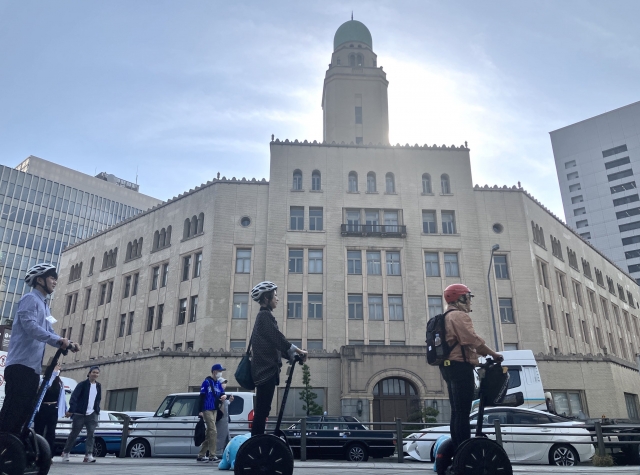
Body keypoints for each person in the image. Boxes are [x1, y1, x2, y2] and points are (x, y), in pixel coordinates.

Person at [0, 263, 77, 435]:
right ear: (40, 280)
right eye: (52, 278)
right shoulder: (30, 299)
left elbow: (49, 331)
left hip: (33, 369)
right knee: (12, 412)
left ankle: (13, 446)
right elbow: (31, 327)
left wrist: (68, 343)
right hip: (20, 366)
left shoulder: (45, 306)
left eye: (56, 278)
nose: (55, 281)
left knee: (25, 413)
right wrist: (58, 340)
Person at [439, 283, 502, 453]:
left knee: (456, 411)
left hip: (448, 367)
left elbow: (466, 341)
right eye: (467, 297)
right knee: (463, 412)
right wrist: (493, 354)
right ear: (460, 298)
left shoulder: (445, 316)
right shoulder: (459, 316)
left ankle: (459, 449)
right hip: (460, 367)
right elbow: (472, 340)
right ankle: (465, 451)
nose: (469, 301)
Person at [249, 281, 307, 436]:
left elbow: (274, 344)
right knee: (262, 411)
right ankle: (256, 442)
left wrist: (292, 355)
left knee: (263, 410)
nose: (277, 299)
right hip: (265, 372)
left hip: (266, 372)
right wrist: (298, 350)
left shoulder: (264, 316)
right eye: (275, 295)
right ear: (266, 298)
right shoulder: (264, 316)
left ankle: (258, 441)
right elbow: (278, 338)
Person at [61, 366, 101, 463]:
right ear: (89, 373)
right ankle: (66, 452)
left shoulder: (98, 386)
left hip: (92, 413)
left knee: (91, 434)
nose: (95, 374)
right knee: (74, 433)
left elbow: (98, 398)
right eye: (93, 372)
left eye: (97, 373)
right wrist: (72, 409)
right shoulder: (82, 384)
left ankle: (89, 454)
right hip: (80, 413)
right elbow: (74, 397)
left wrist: (97, 410)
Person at [196, 363, 227, 462]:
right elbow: (201, 396)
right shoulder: (206, 382)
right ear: (214, 372)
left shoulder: (218, 383)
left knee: (209, 432)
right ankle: (212, 455)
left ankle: (201, 454)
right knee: (213, 431)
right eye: (219, 371)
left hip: (215, 409)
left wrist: (224, 396)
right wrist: (200, 410)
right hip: (207, 408)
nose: (220, 373)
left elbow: (222, 393)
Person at [34, 363, 67, 452]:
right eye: (56, 368)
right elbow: (46, 386)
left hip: (53, 408)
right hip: (43, 407)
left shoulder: (60, 383)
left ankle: (49, 452)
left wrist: (65, 409)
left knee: (51, 432)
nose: (57, 370)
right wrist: (53, 373)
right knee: (39, 430)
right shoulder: (43, 380)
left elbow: (62, 397)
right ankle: (37, 451)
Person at [215, 379, 234, 457]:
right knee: (219, 437)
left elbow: (225, 404)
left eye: (225, 383)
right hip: (219, 420)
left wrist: (229, 401)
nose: (224, 384)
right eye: (222, 383)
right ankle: (214, 453)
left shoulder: (222, 394)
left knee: (225, 438)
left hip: (224, 421)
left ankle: (225, 454)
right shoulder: (216, 393)